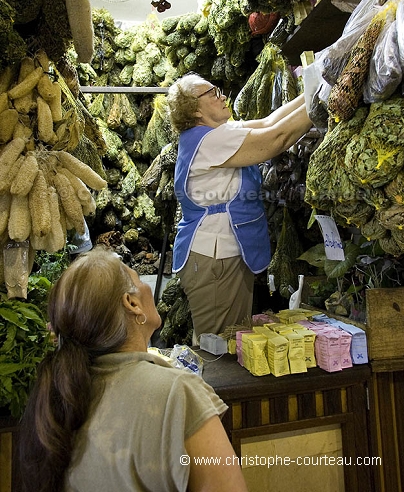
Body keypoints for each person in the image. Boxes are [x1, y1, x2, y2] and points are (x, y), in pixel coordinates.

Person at [18, 246, 248, 492]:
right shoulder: (178, 394)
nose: (145, 286)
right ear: (132, 303)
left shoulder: (61, 397)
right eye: (138, 279)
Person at [167, 73, 313, 342]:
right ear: (194, 109)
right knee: (220, 346)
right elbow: (277, 138)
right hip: (215, 258)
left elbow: (271, 121)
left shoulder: (215, 133)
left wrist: (318, 82)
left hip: (221, 256)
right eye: (212, 93)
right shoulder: (210, 141)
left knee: (230, 339)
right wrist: (323, 96)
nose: (222, 96)